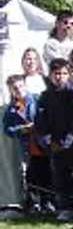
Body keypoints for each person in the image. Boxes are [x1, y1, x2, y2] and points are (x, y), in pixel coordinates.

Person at [35, 58, 73, 222]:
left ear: (69, 75)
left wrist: (69, 140)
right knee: (61, 177)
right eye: (56, 73)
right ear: (51, 75)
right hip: (54, 145)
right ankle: (66, 207)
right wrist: (47, 141)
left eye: (64, 73)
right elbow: (40, 121)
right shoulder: (45, 96)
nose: (60, 77)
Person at [3, 75, 51, 213]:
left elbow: (48, 116)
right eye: (15, 88)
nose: (19, 90)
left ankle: (50, 202)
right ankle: (35, 204)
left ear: (26, 86)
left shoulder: (37, 99)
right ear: (11, 91)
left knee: (48, 173)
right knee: (32, 176)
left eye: (20, 86)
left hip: (43, 143)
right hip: (27, 148)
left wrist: (37, 125)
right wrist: (22, 129)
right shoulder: (11, 109)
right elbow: (8, 129)